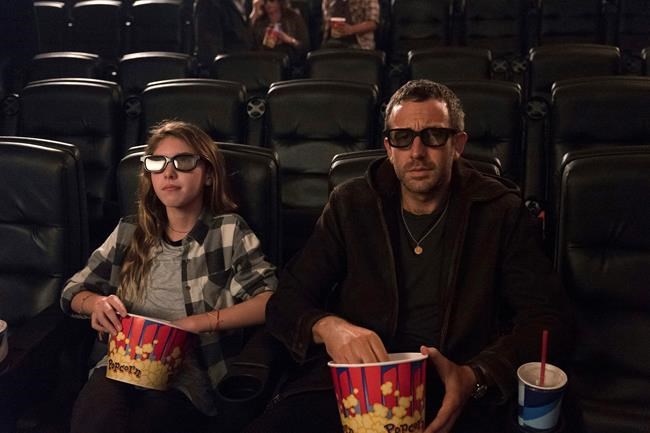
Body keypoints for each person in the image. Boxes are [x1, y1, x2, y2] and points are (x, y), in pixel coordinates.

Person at [247, 80, 573, 433]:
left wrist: (476, 375)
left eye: (434, 136)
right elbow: (286, 301)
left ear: (457, 144)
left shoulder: (500, 211)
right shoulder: (351, 204)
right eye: (402, 138)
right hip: (356, 382)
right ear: (389, 148)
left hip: (454, 384)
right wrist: (328, 327)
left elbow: (546, 319)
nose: (416, 151)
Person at [60, 120, 278, 433]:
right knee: (98, 413)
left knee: (148, 420)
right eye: (157, 163)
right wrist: (95, 304)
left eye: (183, 161)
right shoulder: (129, 230)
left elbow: (270, 301)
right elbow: (73, 290)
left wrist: (196, 324)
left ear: (208, 175)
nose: (168, 173)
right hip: (119, 364)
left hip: (187, 376)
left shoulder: (228, 231)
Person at [250, 0, 309, 65]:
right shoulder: (260, 21)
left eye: (271, 0)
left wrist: (288, 39)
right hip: (266, 62)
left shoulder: (293, 17)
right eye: (265, 1)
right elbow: (252, 47)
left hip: (291, 63)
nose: (268, 4)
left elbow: (305, 47)